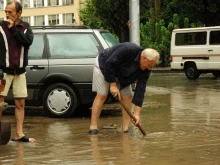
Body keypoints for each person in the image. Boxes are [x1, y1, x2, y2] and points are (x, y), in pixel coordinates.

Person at [89, 42, 160, 135]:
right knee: (102, 95)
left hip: (122, 74)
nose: (150, 69)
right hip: (104, 65)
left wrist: (137, 114)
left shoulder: (146, 70)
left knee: (127, 96)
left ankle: (125, 129)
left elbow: (141, 90)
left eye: (152, 67)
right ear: (143, 58)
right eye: (149, 65)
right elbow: (109, 64)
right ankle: (93, 126)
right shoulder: (128, 49)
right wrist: (113, 85)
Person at [0, 1, 35, 142]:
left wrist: (14, 28)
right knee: (0, 104)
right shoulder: (1, 27)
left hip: (20, 72)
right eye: (6, 12)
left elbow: (27, 41)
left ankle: (19, 134)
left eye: (10, 12)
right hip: (3, 73)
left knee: (20, 103)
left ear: (19, 13)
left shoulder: (25, 28)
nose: (7, 15)